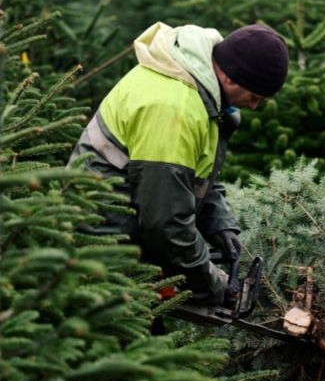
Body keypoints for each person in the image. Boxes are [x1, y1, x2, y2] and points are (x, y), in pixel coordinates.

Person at [68, 21, 289, 305]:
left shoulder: (200, 88)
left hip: (127, 225)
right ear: (232, 78)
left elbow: (196, 173)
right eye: (255, 96)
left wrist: (220, 222)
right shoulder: (175, 109)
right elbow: (165, 223)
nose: (255, 106)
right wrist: (213, 283)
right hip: (102, 242)